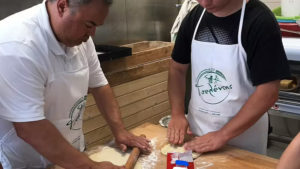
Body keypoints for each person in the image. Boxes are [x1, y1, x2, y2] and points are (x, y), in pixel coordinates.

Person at [0, 0, 151, 168]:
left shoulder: (81, 38)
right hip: (27, 161)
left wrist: (119, 130)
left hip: (72, 153)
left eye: (96, 26)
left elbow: (99, 85)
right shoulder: (16, 46)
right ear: (62, 6)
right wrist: (91, 166)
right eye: (89, 25)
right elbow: (29, 127)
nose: (92, 33)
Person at [167, 0, 291, 155]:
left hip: (243, 139)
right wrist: (177, 114)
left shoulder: (259, 20)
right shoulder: (195, 17)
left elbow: (268, 92)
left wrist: (222, 135)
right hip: (197, 133)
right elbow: (177, 69)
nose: (205, 2)